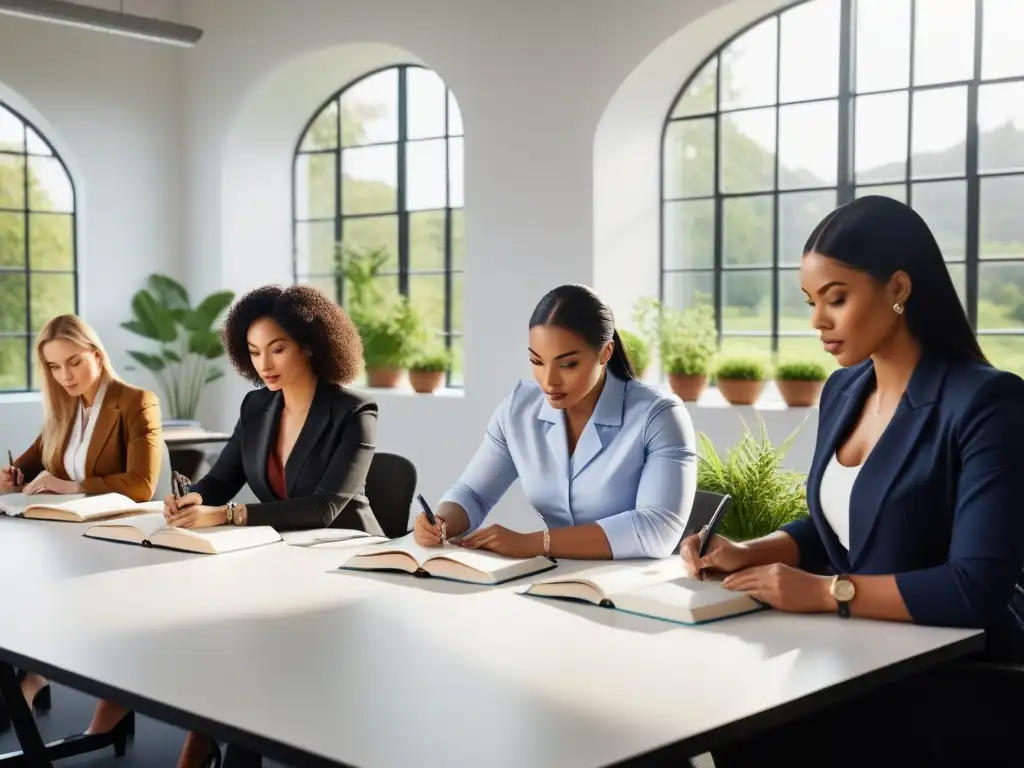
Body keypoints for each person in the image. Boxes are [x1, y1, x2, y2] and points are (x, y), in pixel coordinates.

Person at [679, 196, 1024, 766]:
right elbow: (837, 524)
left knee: (751, 728)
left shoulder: (987, 402)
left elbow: (975, 587)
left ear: (898, 288)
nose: (818, 320)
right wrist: (748, 551)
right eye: (812, 301)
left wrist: (824, 591)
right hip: (856, 652)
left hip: (954, 675)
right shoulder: (844, 391)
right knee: (719, 715)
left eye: (836, 298)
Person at [164, 284, 381, 768]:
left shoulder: (354, 410)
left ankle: (210, 743)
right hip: (279, 558)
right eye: (255, 352)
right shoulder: (258, 406)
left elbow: (323, 507)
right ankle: (214, 737)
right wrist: (195, 497)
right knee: (226, 640)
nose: (265, 363)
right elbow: (223, 477)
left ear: (309, 343)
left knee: (250, 650)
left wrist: (227, 514)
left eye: (277, 348)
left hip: (345, 567)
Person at [413, 283, 696, 560]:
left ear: (605, 353)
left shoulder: (659, 415)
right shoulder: (518, 409)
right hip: (556, 580)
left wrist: (536, 543)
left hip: (633, 584)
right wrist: (441, 521)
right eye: (537, 362)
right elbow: (473, 493)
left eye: (567, 364)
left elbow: (657, 528)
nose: (549, 381)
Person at [0, 314, 161, 751]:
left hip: (112, 540)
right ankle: (27, 675)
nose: (65, 375)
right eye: (54, 367)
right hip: (58, 537)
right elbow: (30, 466)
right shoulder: (65, 408)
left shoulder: (134, 401)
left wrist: (72, 485)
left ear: (95, 353)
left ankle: (30, 678)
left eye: (73, 362)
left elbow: (141, 483)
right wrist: (13, 476)